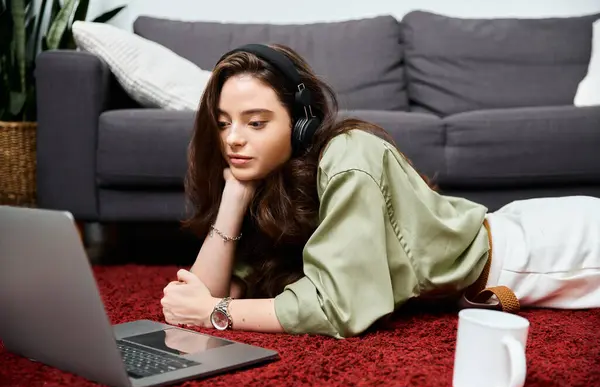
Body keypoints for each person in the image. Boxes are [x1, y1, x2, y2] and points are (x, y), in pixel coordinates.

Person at [160, 43, 600, 339]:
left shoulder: (350, 156)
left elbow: (337, 307)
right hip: (519, 228)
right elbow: (194, 297)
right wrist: (235, 198)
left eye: (255, 122)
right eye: (223, 122)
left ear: (301, 123)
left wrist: (217, 314)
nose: (234, 138)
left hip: (547, 254)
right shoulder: (268, 179)